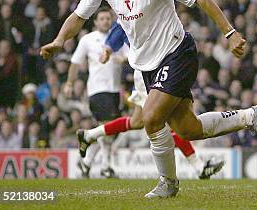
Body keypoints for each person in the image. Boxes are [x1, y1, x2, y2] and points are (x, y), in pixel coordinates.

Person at [41, 0, 257, 198]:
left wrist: (230, 33)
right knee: (189, 129)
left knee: (150, 119)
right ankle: (251, 116)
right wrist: (59, 40)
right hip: (145, 63)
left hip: (177, 53)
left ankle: (169, 184)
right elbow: (79, 15)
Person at [76, 20, 224, 180]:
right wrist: (108, 49)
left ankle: (89, 135)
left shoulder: (146, 7)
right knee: (169, 119)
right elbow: (119, 29)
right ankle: (198, 167)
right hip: (147, 72)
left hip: (156, 69)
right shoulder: (131, 9)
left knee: (137, 121)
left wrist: (109, 49)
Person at [66, 7, 126, 178]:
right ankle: (106, 167)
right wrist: (70, 83)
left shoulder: (118, 37)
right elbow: (75, 62)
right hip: (97, 90)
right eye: (102, 18)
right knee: (107, 128)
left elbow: (130, 55)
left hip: (115, 91)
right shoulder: (88, 40)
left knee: (108, 130)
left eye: (108, 18)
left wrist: (124, 59)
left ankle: (85, 162)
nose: (106, 21)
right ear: (95, 22)